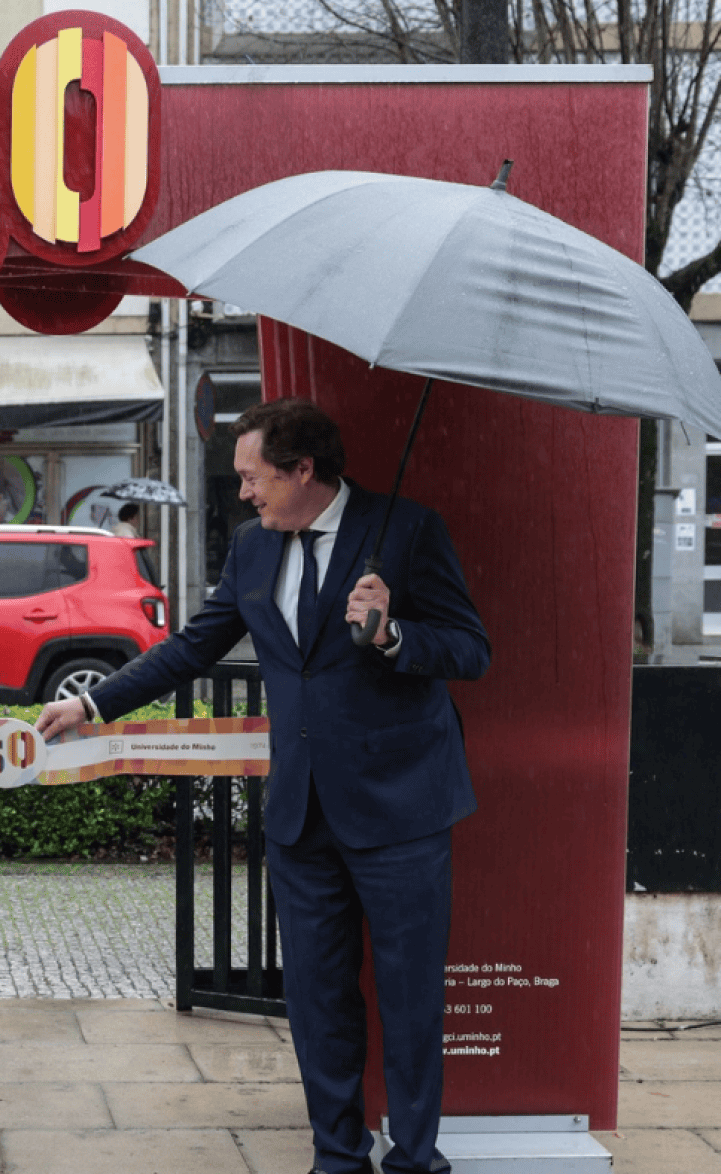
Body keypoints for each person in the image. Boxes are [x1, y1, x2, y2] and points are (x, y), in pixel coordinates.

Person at [38, 399, 490, 1174]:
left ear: (302, 469)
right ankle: (336, 1156)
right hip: (301, 817)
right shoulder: (252, 547)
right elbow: (192, 647)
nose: (243, 492)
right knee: (316, 1000)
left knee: (410, 1001)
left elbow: (471, 650)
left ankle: (416, 1159)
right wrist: (89, 703)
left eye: (253, 477)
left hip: (402, 809)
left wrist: (392, 636)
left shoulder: (406, 530)